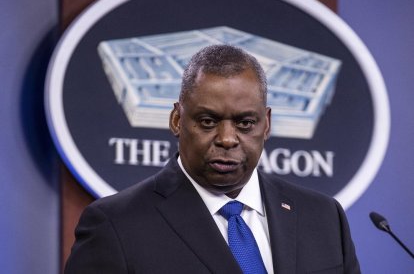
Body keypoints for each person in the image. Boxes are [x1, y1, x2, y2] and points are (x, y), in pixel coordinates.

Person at [65, 45, 361, 274]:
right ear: (177, 120)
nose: (228, 139)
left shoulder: (323, 217)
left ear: (266, 124)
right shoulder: (116, 225)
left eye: (245, 123)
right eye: (208, 121)